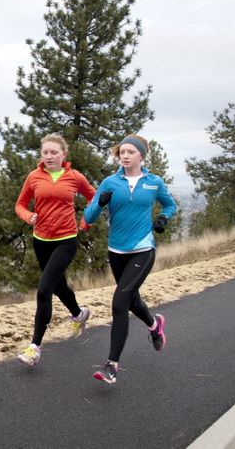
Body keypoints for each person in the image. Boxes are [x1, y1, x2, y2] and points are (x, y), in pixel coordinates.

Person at [83, 134, 177, 384]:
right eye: (121, 152)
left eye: (129, 152)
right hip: (116, 251)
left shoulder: (153, 182)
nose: (124, 156)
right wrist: (100, 202)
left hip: (143, 248)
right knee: (132, 299)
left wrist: (163, 218)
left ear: (141, 156)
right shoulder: (110, 183)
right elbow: (89, 217)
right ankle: (154, 323)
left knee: (120, 302)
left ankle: (111, 366)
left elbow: (170, 205)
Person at [15, 134, 97, 366]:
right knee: (58, 284)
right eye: (45, 152)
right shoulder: (34, 177)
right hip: (41, 240)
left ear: (64, 155)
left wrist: (86, 223)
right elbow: (20, 204)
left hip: (66, 240)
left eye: (54, 152)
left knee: (44, 291)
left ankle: (35, 347)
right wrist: (27, 216)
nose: (49, 156)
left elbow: (95, 198)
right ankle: (79, 313)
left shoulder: (74, 177)